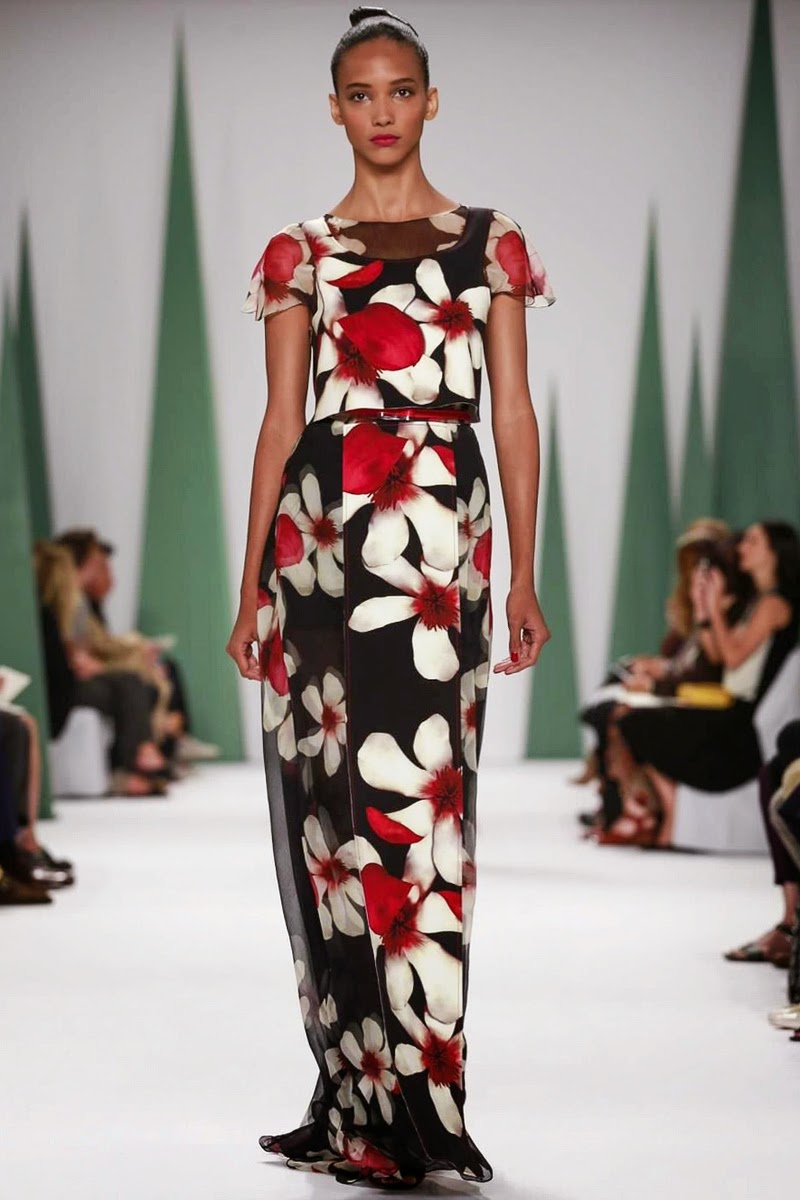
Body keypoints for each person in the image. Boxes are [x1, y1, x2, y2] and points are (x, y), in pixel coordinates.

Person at [226, 6, 555, 1188]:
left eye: (399, 90)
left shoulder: (490, 245)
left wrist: (521, 573)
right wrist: (249, 585)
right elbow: (281, 422)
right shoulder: (299, 251)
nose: (381, 112)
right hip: (321, 547)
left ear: (429, 99)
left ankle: (419, 1100)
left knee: (419, 813)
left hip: (435, 551)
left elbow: (510, 414)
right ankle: (357, 1094)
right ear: (334, 108)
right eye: (360, 94)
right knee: (331, 818)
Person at [607, 521, 800, 848]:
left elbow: (732, 658)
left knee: (637, 723)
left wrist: (712, 608)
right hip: (732, 713)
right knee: (633, 721)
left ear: (774, 553)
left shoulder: (774, 604)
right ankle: (664, 817)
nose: (742, 547)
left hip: (740, 728)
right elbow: (718, 653)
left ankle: (665, 818)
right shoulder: (759, 602)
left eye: (753, 541)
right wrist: (704, 608)